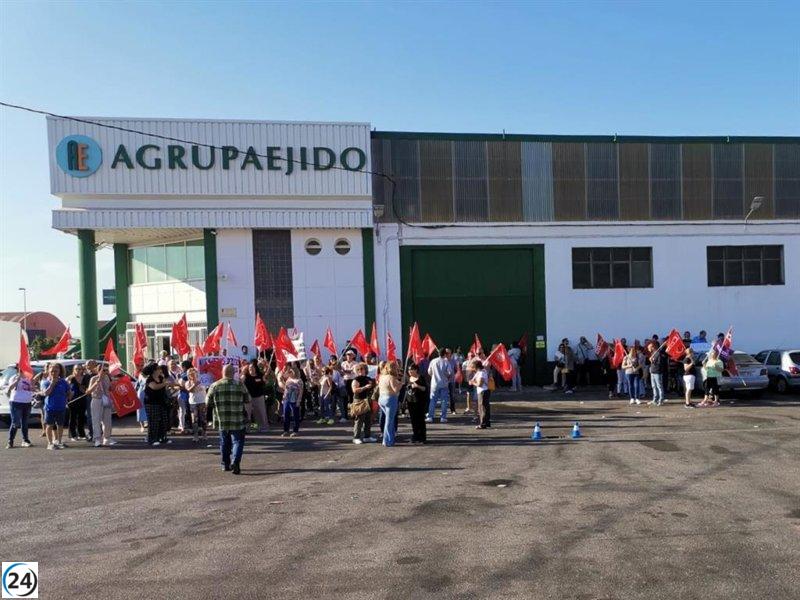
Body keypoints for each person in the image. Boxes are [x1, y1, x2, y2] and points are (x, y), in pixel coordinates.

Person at [207, 364, 250, 474]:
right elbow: (247, 399)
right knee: (238, 441)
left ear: (222, 372)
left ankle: (225, 464)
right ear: (233, 373)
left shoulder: (214, 385)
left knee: (224, 443)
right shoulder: (240, 385)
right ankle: (235, 462)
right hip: (237, 419)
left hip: (222, 419)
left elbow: (208, 402)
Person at [41, 363, 71, 450]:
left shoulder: (63, 382)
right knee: (49, 426)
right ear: (49, 372)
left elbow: (68, 392)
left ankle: (59, 441)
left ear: (59, 372)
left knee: (60, 425)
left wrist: (69, 394)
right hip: (49, 408)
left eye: (56, 371)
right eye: (52, 371)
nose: (54, 373)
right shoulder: (45, 382)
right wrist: (52, 384)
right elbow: (46, 393)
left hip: (61, 407)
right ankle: (50, 443)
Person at [143, 364, 173, 446]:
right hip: (151, 403)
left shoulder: (161, 378)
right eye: (159, 369)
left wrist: (169, 385)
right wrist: (165, 383)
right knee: (153, 421)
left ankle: (162, 437)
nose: (160, 370)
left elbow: (165, 387)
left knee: (163, 420)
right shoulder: (150, 379)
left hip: (161, 402)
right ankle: (152, 439)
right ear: (154, 370)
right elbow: (155, 387)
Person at [86, 363, 115, 447]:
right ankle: (97, 439)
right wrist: (96, 383)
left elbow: (110, 389)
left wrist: (112, 386)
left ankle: (107, 438)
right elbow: (88, 391)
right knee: (96, 420)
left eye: (107, 370)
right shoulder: (93, 378)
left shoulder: (107, 378)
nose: (106, 372)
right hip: (96, 400)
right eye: (104, 370)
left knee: (107, 421)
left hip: (106, 400)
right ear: (98, 371)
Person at [6, 366, 34, 448]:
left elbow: (31, 388)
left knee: (24, 423)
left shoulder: (29, 378)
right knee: (16, 423)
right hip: (16, 402)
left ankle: (25, 440)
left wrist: (33, 386)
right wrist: (17, 380)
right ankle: (10, 441)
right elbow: (10, 388)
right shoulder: (14, 377)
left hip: (27, 403)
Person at [376, 361, 402, 447]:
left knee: (388, 420)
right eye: (394, 367)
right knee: (389, 421)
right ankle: (387, 441)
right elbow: (395, 390)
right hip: (390, 399)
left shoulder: (382, 376)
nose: (395, 369)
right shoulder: (391, 377)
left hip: (381, 399)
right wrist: (401, 384)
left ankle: (388, 439)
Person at [351, 362, 376, 444]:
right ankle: (356, 437)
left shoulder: (368, 378)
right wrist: (365, 387)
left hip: (368, 400)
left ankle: (367, 436)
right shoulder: (356, 380)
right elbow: (354, 390)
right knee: (359, 420)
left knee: (368, 420)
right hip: (359, 401)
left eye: (362, 369)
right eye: (358, 369)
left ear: (366, 370)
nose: (360, 371)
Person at [426, 349, 454, 423]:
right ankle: (443, 417)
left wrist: (434, 375)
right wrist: (444, 375)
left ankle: (430, 417)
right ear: (444, 354)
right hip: (444, 383)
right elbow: (449, 373)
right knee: (444, 401)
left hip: (434, 383)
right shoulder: (446, 362)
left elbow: (429, 372)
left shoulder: (433, 361)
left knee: (432, 400)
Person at [242, 359, 268, 433]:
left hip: (259, 397)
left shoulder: (260, 375)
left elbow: (265, 382)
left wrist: (264, 379)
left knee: (260, 412)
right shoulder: (246, 376)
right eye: (250, 368)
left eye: (252, 368)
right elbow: (240, 382)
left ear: (255, 368)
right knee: (248, 413)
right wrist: (243, 374)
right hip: (248, 397)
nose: (251, 369)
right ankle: (247, 428)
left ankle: (263, 426)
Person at [405, 364, 427, 443]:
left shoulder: (421, 378)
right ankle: (415, 436)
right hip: (410, 402)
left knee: (420, 420)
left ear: (416, 370)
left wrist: (417, 386)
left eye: (411, 369)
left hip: (419, 402)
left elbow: (425, 388)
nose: (409, 371)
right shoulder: (408, 378)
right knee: (413, 420)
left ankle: (422, 437)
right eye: (408, 370)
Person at [66, 364, 88, 441]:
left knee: (81, 417)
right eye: (76, 369)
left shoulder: (85, 378)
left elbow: (87, 388)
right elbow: (66, 388)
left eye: (80, 369)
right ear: (73, 370)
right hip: (73, 400)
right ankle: (73, 435)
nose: (78, 371)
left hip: (82, 399)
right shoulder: (70, 378)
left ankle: (81, 434)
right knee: (72, 418)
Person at [185, 368, 208, 442]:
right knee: (194, 420)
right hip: (193, 402)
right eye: (190, 374)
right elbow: (189, 390)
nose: (192, 375)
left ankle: (204, 434)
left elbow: (208, 386)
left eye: (194, 374)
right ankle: (195, 435)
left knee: (203, 419)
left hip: (202, 401)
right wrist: (194, 384)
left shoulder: (202, 381)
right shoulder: (187, 382)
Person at [280, 366, 302, 437]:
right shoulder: (288, 379)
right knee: (286, 414)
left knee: (295, 415)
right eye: (289, 372)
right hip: (287, 399)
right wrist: (283, 397)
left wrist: (298, 400)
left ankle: (295, 431)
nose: (289, 373)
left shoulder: (299, 381)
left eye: (290, 372)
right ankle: (286, 430)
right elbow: (286, 389)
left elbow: (301, 391)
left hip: (294, 399)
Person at [470, 359, 491, 429]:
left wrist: (473, 383)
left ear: (476, 367)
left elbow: (480, 384)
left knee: (482, 408)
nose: (472, 368)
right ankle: (487, 422)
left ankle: (483, 424)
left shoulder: (481, 373)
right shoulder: (481, 371)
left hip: (482, 391)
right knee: (485, 407)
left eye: (473, 367)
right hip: (484, 391)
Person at [648, 342, 668, 406]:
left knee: (659, 386)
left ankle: (661, 400)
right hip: (652, 372)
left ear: (652, 347)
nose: (648, 349)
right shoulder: (653, 353)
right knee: (654, 386)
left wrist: (652, 361)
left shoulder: (658, 354)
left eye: (649, 347)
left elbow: (659, 363)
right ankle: (655, 399)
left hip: (657, 372)